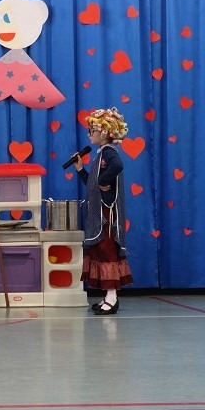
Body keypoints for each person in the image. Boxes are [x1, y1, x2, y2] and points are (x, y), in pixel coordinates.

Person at [73, 107, 134, 315]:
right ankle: (109, 296)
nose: (89, 134)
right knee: (101, 250)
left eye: (93, 130)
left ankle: (112, 297)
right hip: (100, 214)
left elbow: (118, 166)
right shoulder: (101, 155)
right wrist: (81, 170)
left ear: (105, 132)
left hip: (106, 215)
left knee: (108, 251)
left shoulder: (109, 153)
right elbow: (93, 185)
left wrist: (103, 181)